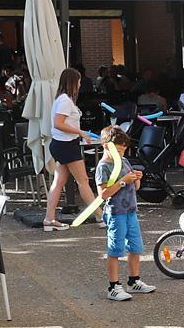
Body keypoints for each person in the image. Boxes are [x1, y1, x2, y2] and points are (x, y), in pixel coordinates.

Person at [94, 126, 155, 302]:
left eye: (123, 150)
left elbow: (134, 188)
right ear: (107, 147)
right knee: (115, 249)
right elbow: (103, 194)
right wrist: (122, 181)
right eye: (119, 150)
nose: (121, 153)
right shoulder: (103, 167)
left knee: (136, 247)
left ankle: (134, 280)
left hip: (131, 211)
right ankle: (113, 286)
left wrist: (137, 179)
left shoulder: (125, 161)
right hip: (116, 213)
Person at [43, 67, 100, 232]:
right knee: (82, 181)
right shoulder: (65, 101)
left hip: (63, 145)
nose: (81, 84)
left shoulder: (62, 99)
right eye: (79, 81)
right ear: (73, 83)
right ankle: (100, 215)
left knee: (59, 181)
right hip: (66, 145)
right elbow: (58, 123)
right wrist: (81, 132)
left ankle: (49, 218)